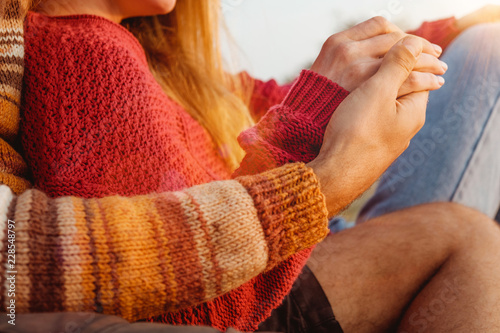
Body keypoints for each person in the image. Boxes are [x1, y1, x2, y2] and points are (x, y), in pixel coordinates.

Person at [0, 1, 499, 333]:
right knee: (467, 236)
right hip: (263, 284)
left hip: (298, 247)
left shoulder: (162, 64)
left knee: (485, 50)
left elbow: (281, 96)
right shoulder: (85, 50)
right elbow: (190, 302)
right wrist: (313, 138)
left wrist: (445, 31)